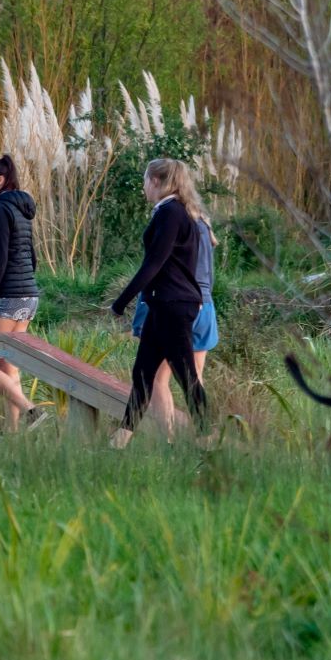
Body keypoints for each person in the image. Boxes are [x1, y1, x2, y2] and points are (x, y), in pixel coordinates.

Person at [109, 158, 212, 448]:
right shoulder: (179, 212)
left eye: (145, 182)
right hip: (164, 304)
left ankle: (208, 443)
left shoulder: (170, 213)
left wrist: (121, 302)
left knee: (186, 376)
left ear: (156, 181)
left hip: (172, 305)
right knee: (142, 373)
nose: (143, 188)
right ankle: (120, 441)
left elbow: (155, 262)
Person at [0, 155, 50, 430]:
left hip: (8, 297)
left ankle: (30, 410)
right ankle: (12, 434)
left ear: (0, 180)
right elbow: (32, 257)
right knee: (8, 365)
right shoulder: (21, 209)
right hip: (29, 295)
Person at [129, 212, 219, 433]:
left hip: (174, 304)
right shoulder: (204, 226)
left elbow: (156, 266)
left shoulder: (172, 220)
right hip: (205, 306)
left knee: (158, 379)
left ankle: (166, 441)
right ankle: (203, 438)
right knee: (194, 376)